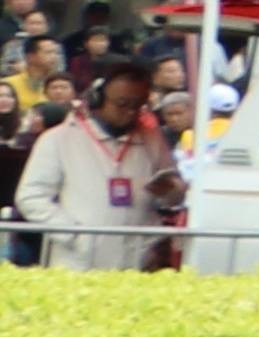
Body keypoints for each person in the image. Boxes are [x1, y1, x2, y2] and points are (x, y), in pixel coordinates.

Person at [19, 57, 175, 271]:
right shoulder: (58, 138)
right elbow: (31, 196)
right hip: (78, 263)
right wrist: (74, 234)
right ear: (97, 99)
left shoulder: (152, 140)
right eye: (122, 104)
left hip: (138, 261)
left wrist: (172, 191)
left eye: (138, 105)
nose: (130, 111)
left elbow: (173, 193)